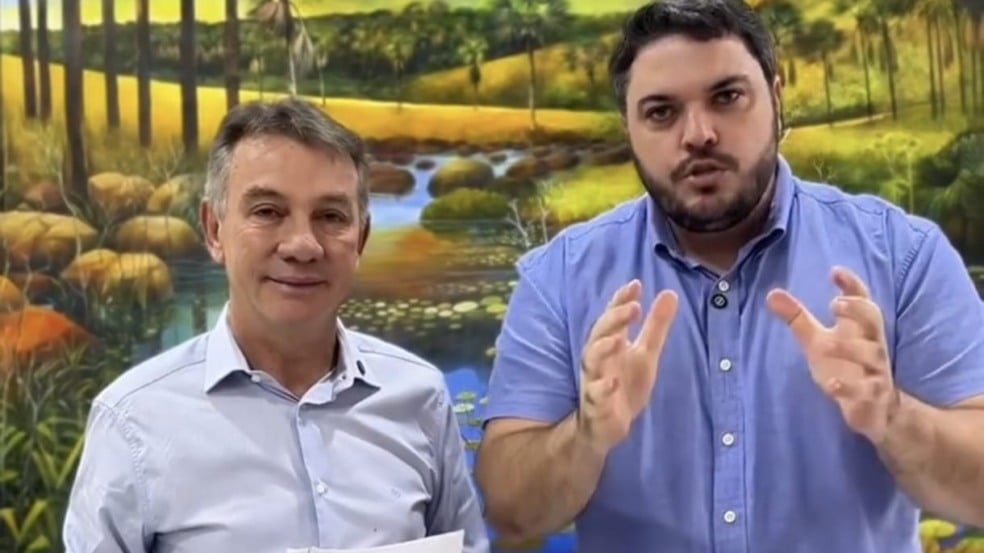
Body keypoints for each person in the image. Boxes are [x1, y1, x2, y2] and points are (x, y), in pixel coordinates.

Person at [474, 1, 984, 552]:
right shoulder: (559, 278)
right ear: (629, 129)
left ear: (777, 100)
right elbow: (510, 512)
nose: (699, 134)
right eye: (661, 112)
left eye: (727, 97)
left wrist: (892, 416)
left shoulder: (903, 256)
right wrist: (587, 435)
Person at [62, 98, 490, 553]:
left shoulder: (420, 397)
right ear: (213, 229)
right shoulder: (133, 420)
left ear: (361, 238)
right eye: (267, 211)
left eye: (331, 216)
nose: (302, 245)